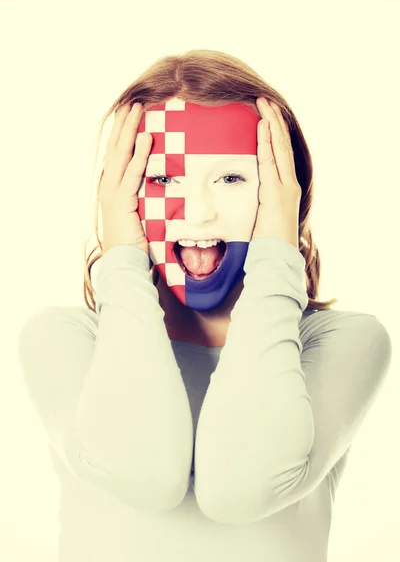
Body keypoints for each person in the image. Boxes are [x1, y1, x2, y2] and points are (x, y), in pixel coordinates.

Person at [18, 49, 392, 562]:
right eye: (164, 179)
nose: (197, 211)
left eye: (232, 179)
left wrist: (275, 259)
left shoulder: (344, 343)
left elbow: (242, 488)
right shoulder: (61, 340)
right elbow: (144, 475)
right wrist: (123, 259)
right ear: (120, 198)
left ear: (283, 196)